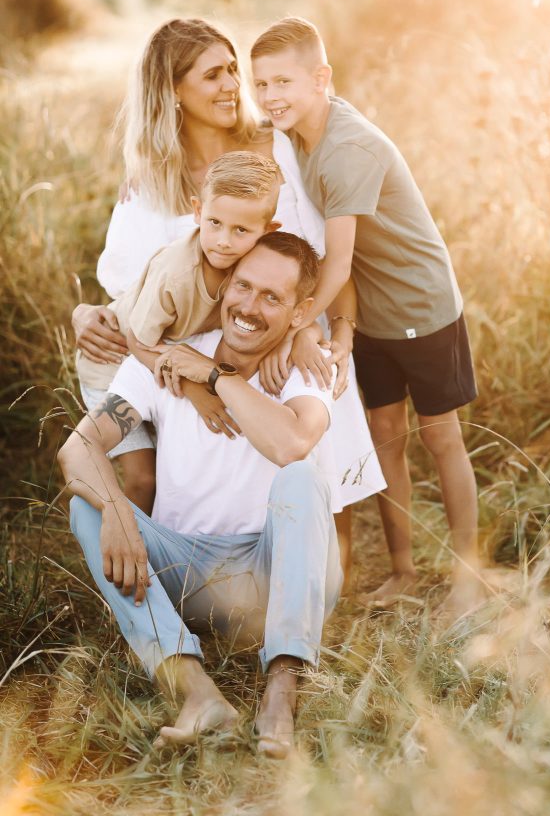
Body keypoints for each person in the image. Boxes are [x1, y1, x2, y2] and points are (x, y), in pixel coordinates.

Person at [71, 18, 385, 566]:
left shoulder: (278, 147)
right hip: (183, 346)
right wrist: (82, 314)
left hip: (276, 322)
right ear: (172, 89)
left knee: (316, 371)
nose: (232, 85)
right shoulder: (151, 179)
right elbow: (128, 288)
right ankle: (173, 563)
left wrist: (325, 330)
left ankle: (331, 570)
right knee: (168, 437)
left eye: (233, 70)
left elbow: (323, 253)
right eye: (213, 75)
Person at [59, 233, 343, 759]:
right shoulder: (169, 356)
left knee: (303, 479)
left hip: (276, 571)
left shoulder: (306, 366)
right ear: (225, 284)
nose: (249, 308)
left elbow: (291, 445)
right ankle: (197, 694)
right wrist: (119, 508)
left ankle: (282, 692)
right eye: (243, 286)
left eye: (271, 298)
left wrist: (216, 375)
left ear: (302, 313)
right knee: (88, 505)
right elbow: (79, 448)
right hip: (188, 574)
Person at [251, 17, 482, 623]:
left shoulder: (346, 148)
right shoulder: (300, 129)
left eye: (283, 81)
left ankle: (469, 578)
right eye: (261, 84)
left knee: (440, 437)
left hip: (420, 306)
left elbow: (337, 261)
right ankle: (405, 570)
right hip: (371, 310)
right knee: (386, 438)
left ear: (321, 78)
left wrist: (297, 324)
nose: (270, 96)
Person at [77, 150, 281, 513]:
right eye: (215, 223)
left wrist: (304, 339)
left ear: (268, 232)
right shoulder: (177, 273)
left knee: (177, 466)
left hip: (163, 359)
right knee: (144, 479)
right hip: (113, 360)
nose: (223, 241)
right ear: (197, 211)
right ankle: (119, 556)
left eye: (241, 231)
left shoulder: (250, 266)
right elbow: (138, 342)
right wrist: (192, 389)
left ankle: (163, 550)